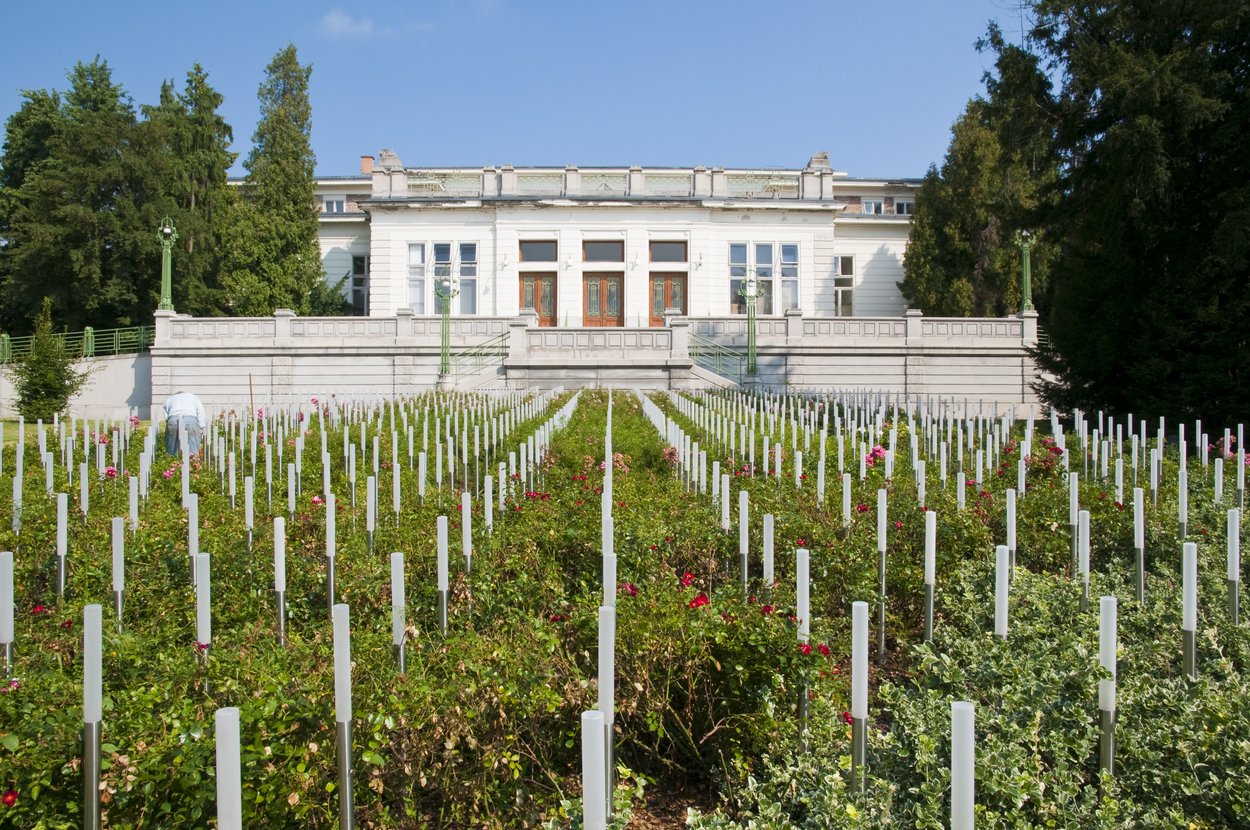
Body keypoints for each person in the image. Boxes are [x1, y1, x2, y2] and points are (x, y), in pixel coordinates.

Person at [163, 390, 206, 456]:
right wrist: (202, 426)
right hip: (191, 420)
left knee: (171, 446)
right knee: (193, 445)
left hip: (173, 419)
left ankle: (171, 460)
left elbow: (166, 413)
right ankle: (193, 462)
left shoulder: (170, 398)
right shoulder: (194, 397)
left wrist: (168, 423)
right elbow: (201, 411)